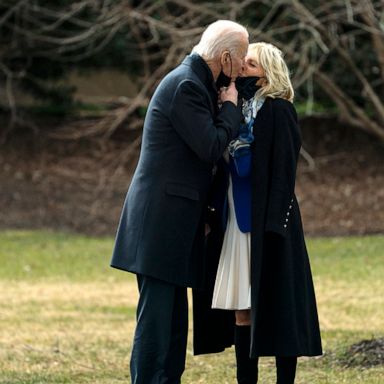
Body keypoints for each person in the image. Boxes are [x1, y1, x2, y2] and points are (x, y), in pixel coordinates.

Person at [110, 20, 249, 384]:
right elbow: (210, 145)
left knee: (172, 322)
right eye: (243, 58)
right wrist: (231, 108)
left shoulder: (195, 83)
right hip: (160, 222)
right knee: (157, 323)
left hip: (173, 222)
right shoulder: (186, 85)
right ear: (225, 57)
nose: (244, 65)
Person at [193, 42, 322, 384]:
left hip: (270, 223)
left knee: (279, 305)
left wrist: (273, 225)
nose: (242, 68)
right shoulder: (234, 109)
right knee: (242, 308)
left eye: (250, 64)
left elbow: (284, 170)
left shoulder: (279, 111)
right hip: (237, 219)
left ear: (266, 72)